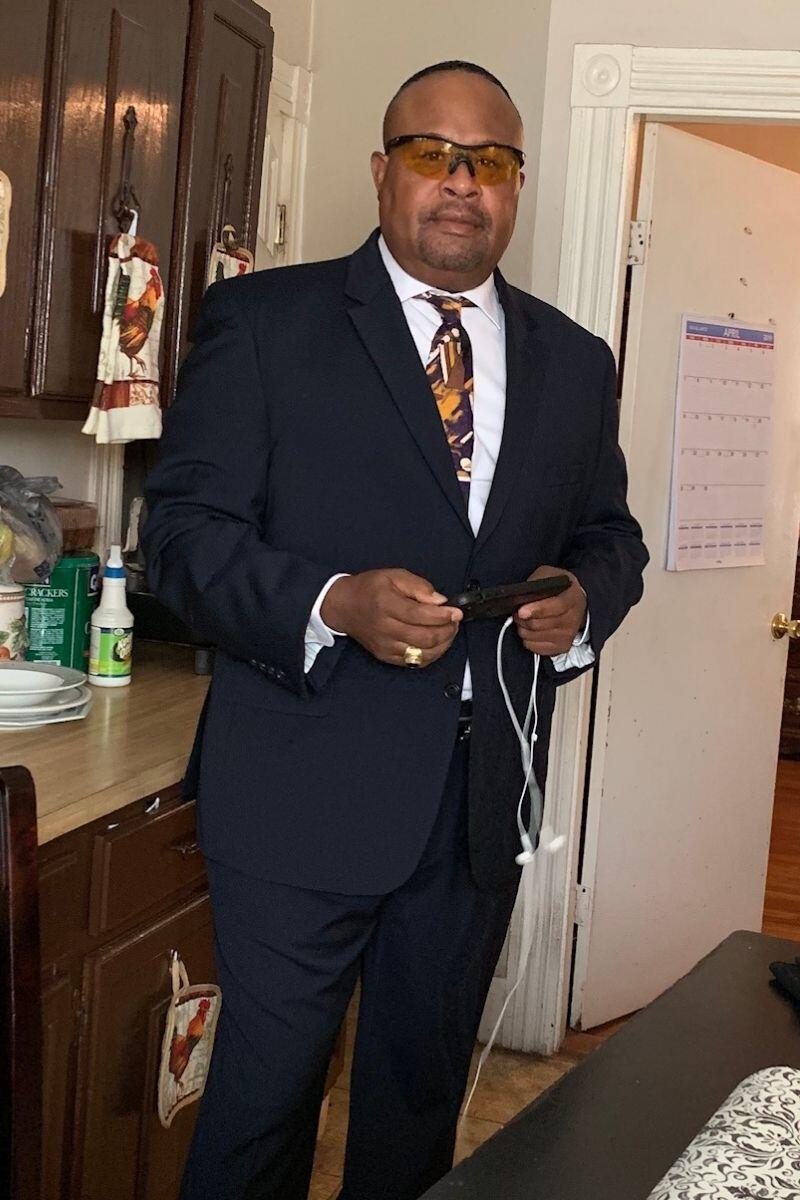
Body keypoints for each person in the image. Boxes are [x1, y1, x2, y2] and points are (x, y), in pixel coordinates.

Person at [143, 59, 648, 1200]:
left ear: (515, 185)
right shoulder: (267, 324)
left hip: (476, 811)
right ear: (382, 171)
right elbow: (177, 534)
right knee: (261, 1107)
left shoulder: (574, 361)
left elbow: (609, 536)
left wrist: (580, 603)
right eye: (432, 154)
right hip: (296, 793)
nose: (460, 183)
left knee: (414, 1114)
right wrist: (332, 602)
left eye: (490, 162)